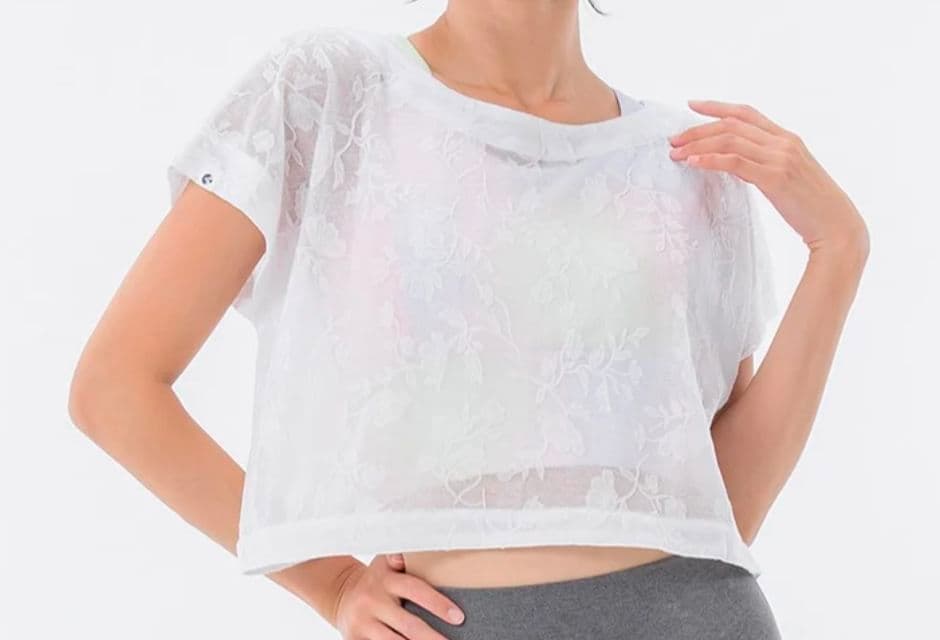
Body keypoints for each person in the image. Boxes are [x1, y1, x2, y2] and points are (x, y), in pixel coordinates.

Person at [68, 1, 869, 639]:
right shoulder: (330, 89)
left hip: (701, 619)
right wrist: (332, 583)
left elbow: (722, 512)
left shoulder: (687, 161)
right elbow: (115, 387)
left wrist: (838, 250)